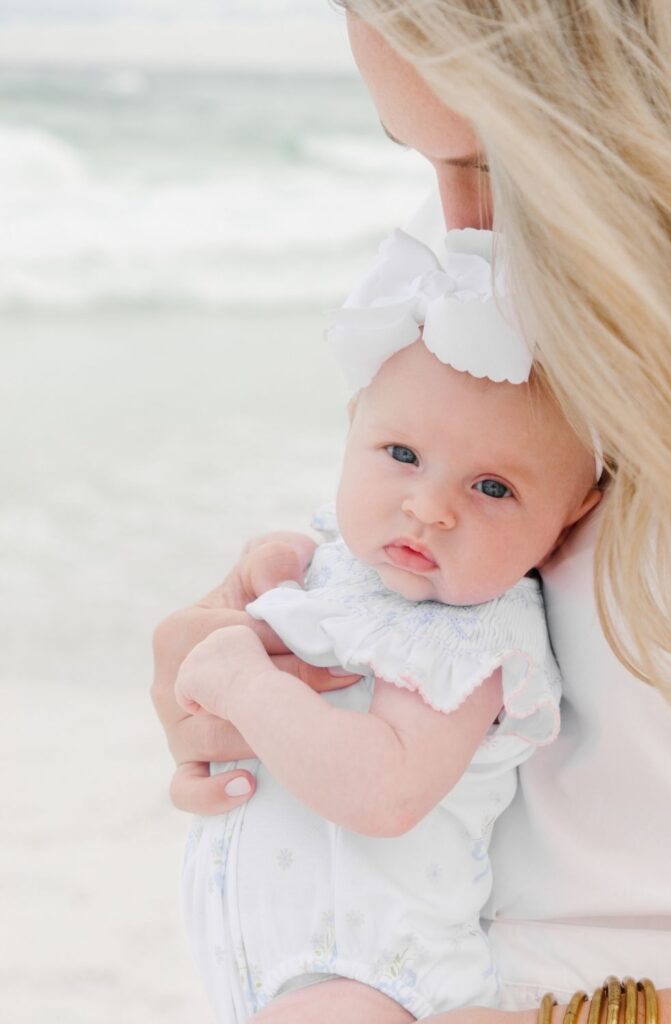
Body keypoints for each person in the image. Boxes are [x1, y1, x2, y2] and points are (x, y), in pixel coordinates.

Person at [152, 3, 671, 1021]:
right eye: (423, 163)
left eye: (498, 165)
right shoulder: (481, 281)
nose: (458, 226)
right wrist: (248, 659)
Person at [176, 227, 602, 1023]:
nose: (429, 507)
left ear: (571, 514)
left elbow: (384, 792)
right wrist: (278, 564)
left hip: (368, 977)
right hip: (279, 965)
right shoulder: (362, 563)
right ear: (351, 425)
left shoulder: (467, 633)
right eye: (400, 453)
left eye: (492, 487)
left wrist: (242, 682)